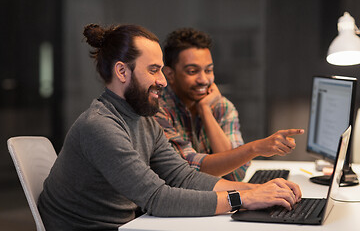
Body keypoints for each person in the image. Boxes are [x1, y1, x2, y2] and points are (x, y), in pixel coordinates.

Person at [37, 23, 302, 230]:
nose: (163, 81)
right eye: (153, 70)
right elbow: (158, 198)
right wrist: (242, 199)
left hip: (130, 224)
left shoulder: (143, 120)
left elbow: (183, 177)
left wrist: (257, 190)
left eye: (162, 70)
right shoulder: (100, 126)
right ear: (122, 72)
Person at [155, 28, 304, 181]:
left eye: (208, 70)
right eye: (193, 71)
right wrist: (255, 148)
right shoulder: (157, 110)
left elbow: (235, 174)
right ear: (170, 75)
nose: (204, 80)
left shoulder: (221, 106)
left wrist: (205, 111)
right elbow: (186, 173)